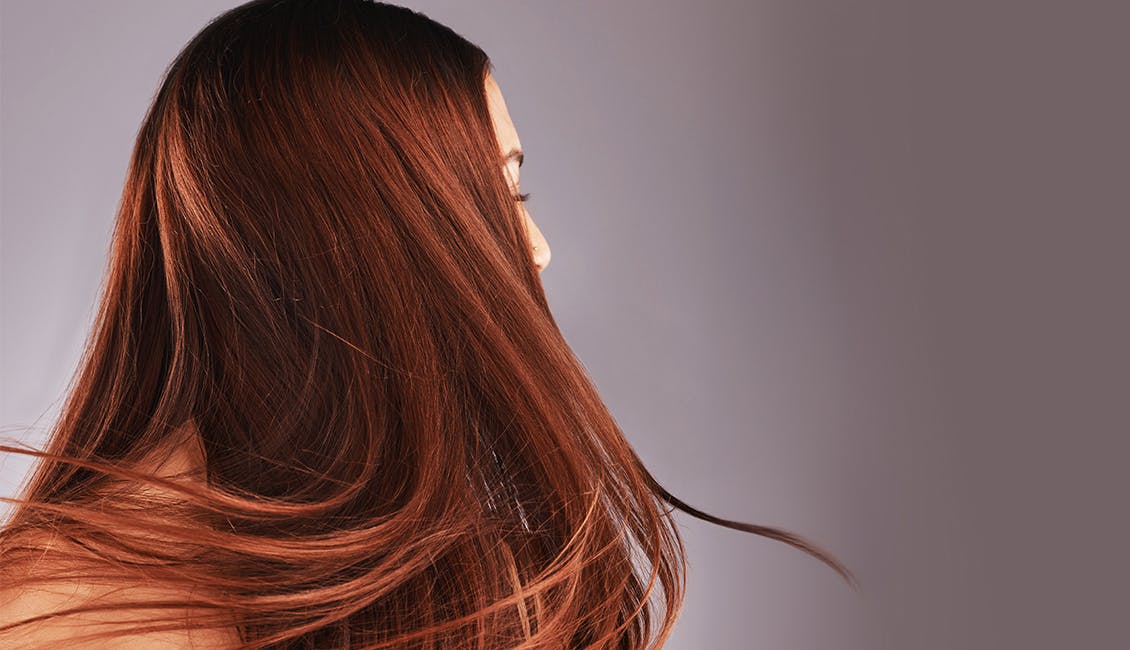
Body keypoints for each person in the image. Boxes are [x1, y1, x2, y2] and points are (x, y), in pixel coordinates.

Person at [0, 0, 854, 647]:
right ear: (374, 232)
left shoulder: (465, 581)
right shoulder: (81, 615)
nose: (538, 249)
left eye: (518, 194)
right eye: (502, 197)